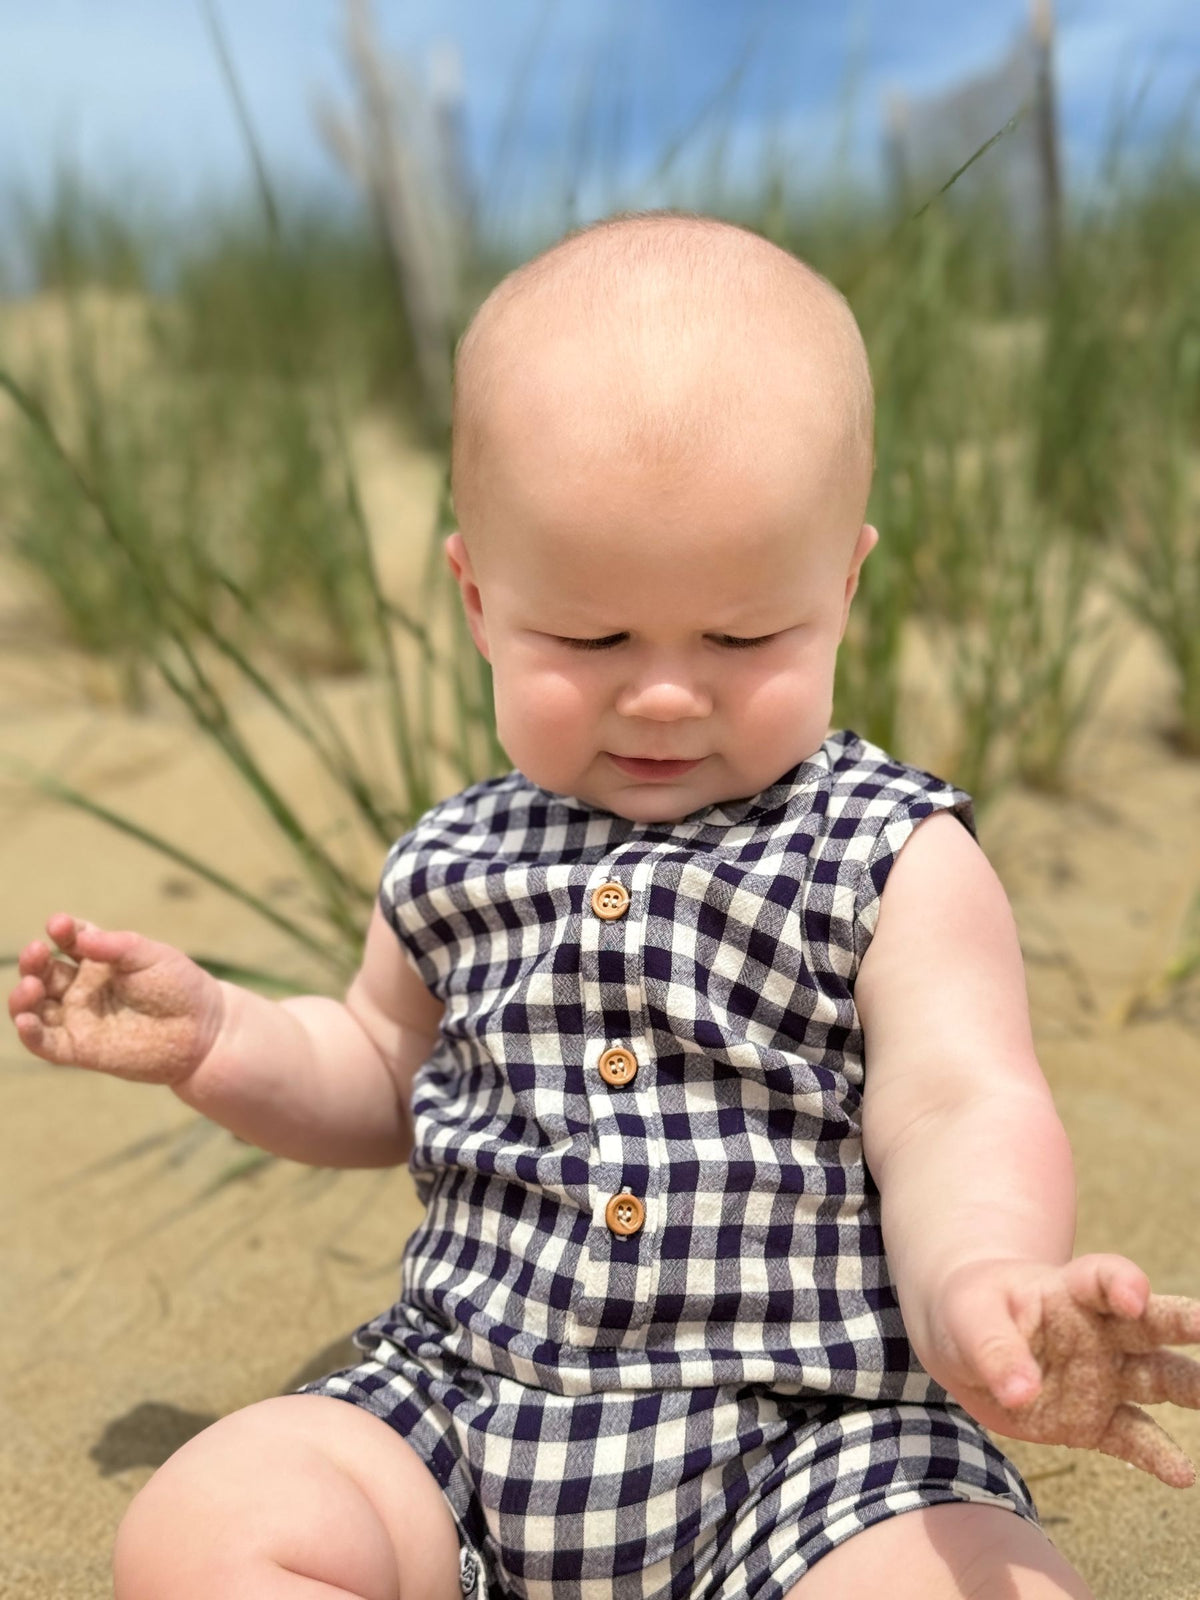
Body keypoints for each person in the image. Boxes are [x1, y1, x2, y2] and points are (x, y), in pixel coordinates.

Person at [9, 210, 1200, 1600]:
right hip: (461, 1406)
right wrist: (219, 1039)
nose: (666, 692)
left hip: (811, 1440)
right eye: (589, 636)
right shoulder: (454, 856)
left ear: (843, 587)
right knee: (204, 1524)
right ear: (476, 599)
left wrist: (982, 1278)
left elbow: (957, 1102)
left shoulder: (890, 852)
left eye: (744, 635)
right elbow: (378, 1070)